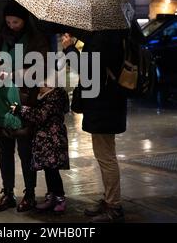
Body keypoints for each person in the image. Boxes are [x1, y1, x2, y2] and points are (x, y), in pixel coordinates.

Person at [0, 0, 49, 212]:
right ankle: (8, 193)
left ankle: (29, 194)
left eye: (16, 21)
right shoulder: (0, 38)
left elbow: (40, 70)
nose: (12, 25)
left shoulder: (35, 39)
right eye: (8, 21)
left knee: (25, 151)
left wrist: (13, 74)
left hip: (23, 102)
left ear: (25, 20)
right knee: (4, 152)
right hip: (1, 102)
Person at [77, 30, 127, 223]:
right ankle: (109, 200)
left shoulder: (105, 37)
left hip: (104, 105)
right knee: (105, 156)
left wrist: (70, 49)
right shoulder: (113, 33)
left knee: (106, 158)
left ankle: (114, 206)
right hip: (107, 104)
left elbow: (88, 71)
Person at [11, 77, 70, 214]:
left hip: (53, 141)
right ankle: (52, 197)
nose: (40, 85)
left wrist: (21, 109)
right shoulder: (43, 96)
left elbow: (40, 115)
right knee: (48, 170)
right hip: (45, 142)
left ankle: (60, 198)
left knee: (53, 171)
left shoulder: (54, 97)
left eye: (43, 83)